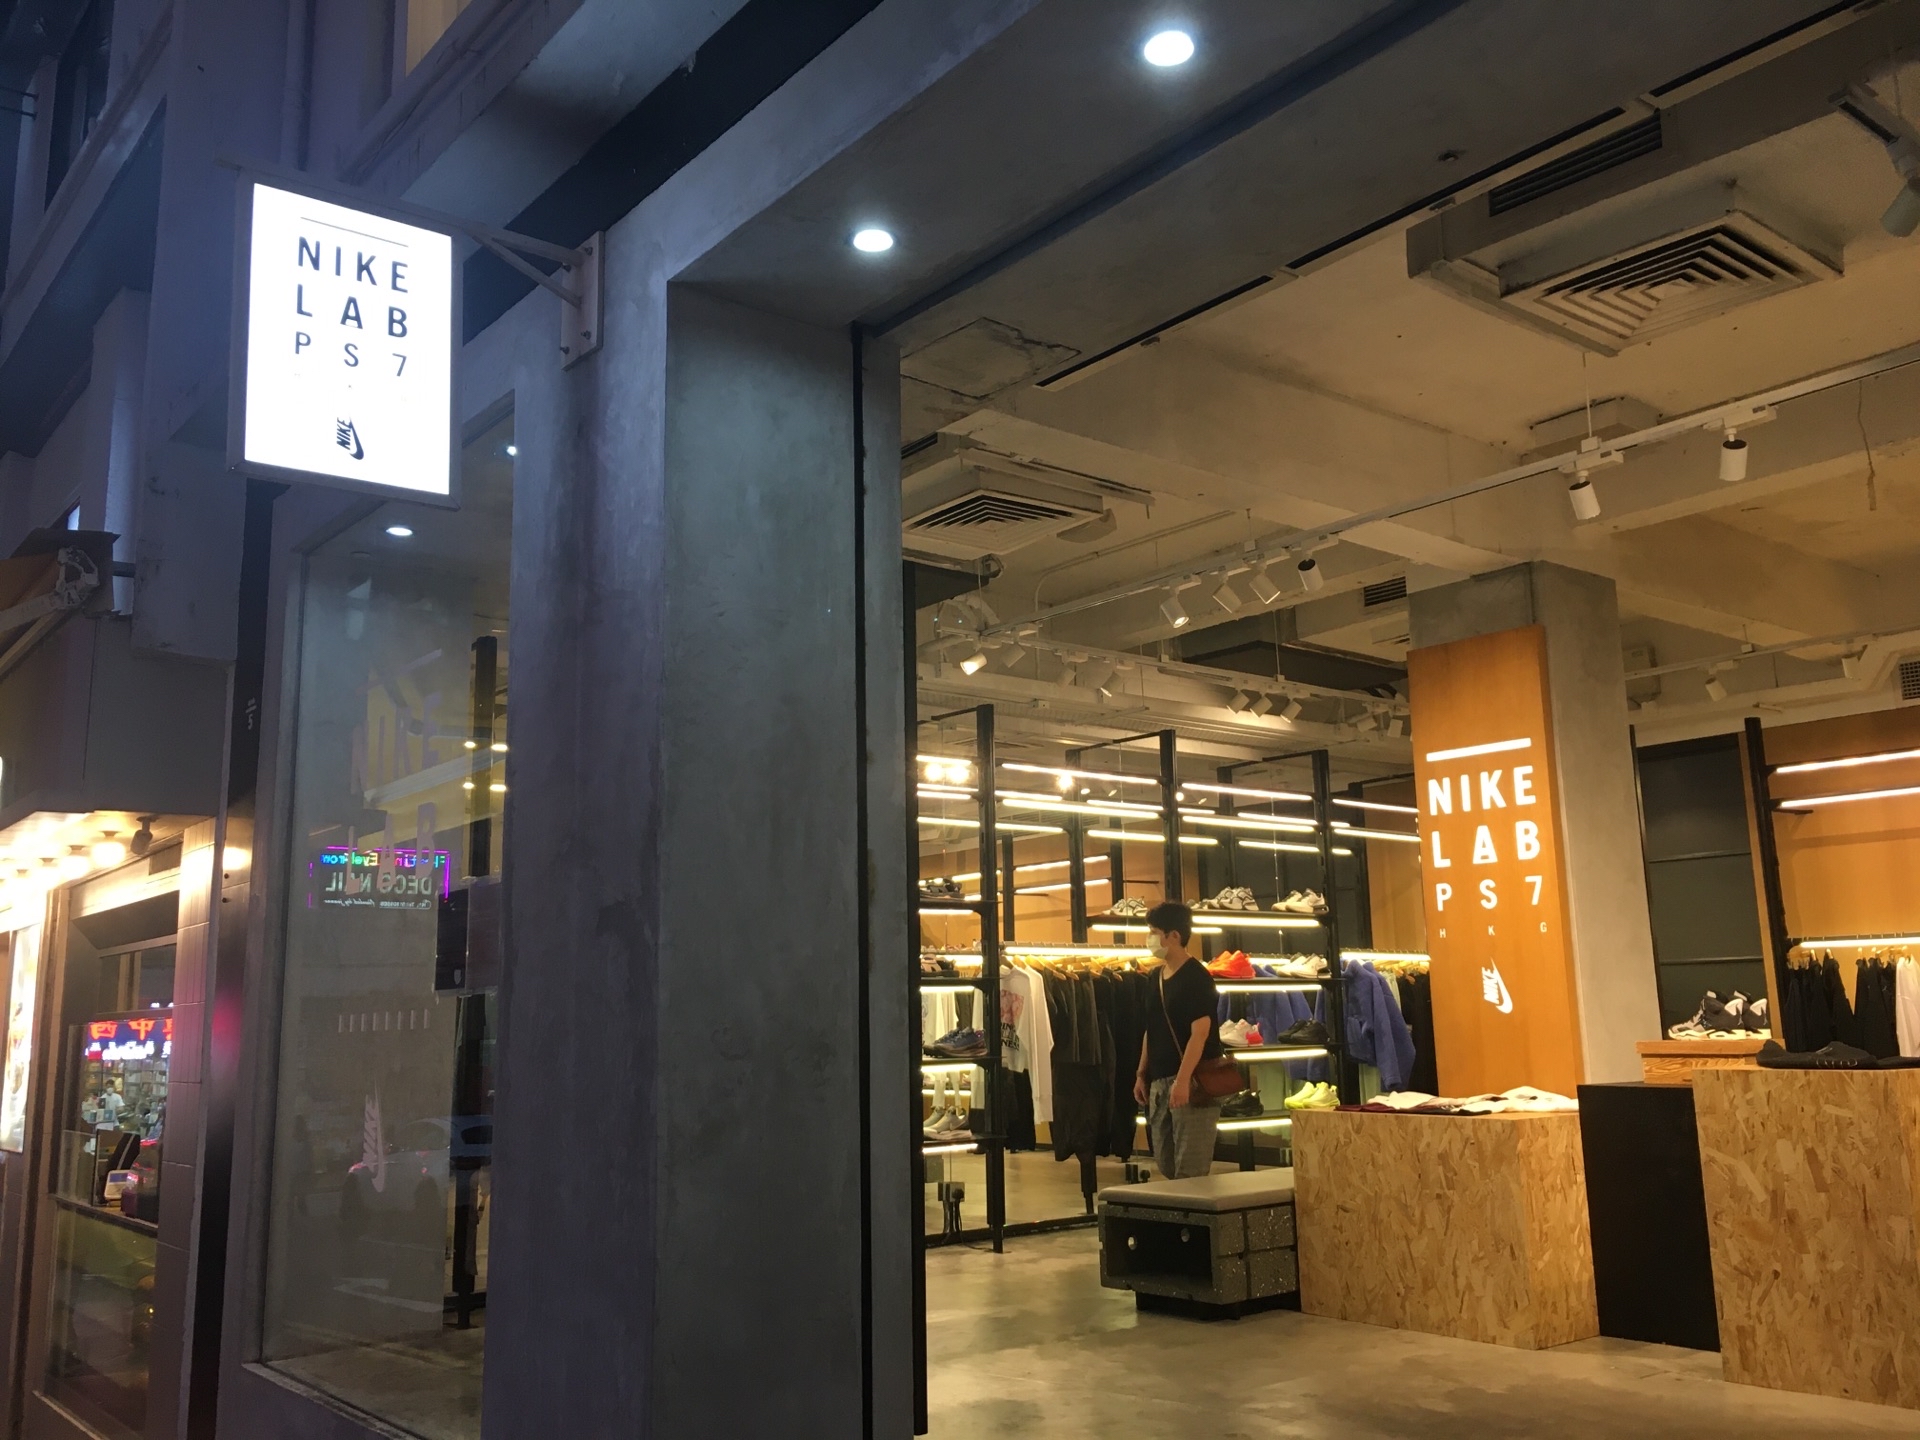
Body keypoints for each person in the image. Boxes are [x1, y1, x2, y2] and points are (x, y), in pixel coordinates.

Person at [1133, 900, 1222, 1179]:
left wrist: (1182, 1080)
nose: (1150, 938)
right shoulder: (1154, 977)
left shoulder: (1197, 977)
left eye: (1154, 932)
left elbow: (1200, 1033)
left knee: (1190, 1166)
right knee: (1165, 1161)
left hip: (1192, 1080)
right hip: (1159, 1081)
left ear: (1173, 935)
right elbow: (1151, 1028)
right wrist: (1141, 1073)